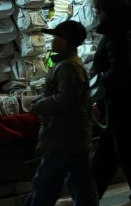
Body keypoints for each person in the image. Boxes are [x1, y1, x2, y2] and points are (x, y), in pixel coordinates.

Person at [24, 20, 98, 206]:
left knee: (45, 184)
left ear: (65, 41)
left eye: (56, 37)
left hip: (63, 135)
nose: (52, 41)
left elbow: (66, 98)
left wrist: (38, 105)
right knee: (80, 182)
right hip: (71, 133)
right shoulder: (67, 64)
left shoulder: (68, 67)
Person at [90, 0, 131, 205]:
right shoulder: (123, 33)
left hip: (122, 103)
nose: (97, 14)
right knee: (111, 156)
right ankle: (89, 197)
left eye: (100, 10)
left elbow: (120, 71)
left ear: (110, 12)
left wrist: (97, 82)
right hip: (123, 103)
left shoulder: (118, 36)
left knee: (125, 154)